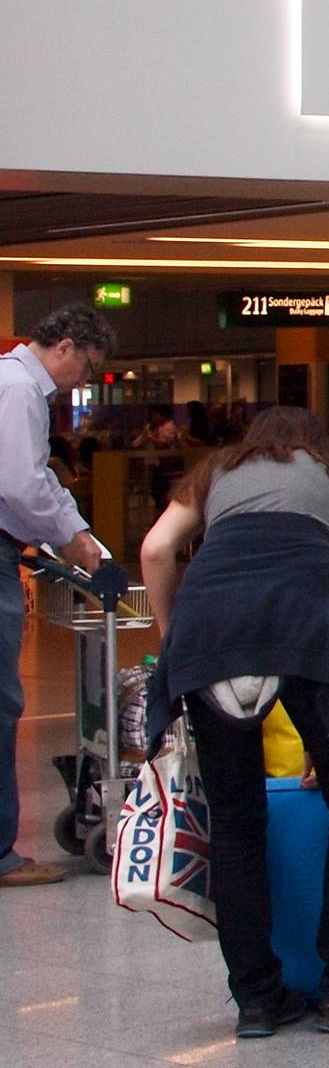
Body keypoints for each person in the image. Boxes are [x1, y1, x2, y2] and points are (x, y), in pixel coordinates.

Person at [140, 407, 329, 1035]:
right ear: (317, 444)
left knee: (236, 822)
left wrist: (176, 637)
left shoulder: (215, 471)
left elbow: (156, 548)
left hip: (209, 631)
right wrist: (326, 733)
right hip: (306, 627)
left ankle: (258, 1001)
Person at [0, 304, 120, 889]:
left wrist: (83, 538)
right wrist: (70, 540)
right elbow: (20, 483)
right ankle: (1, 853)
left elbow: (41, 478)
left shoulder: (14, 384)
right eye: (90, 366)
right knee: (1, 702)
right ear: (66, 345)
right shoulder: (19, 390)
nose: (87, 380)